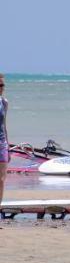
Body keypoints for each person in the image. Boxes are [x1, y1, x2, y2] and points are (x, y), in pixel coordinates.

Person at [0, 73, 8, 207]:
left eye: (2, 85)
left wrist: (8, 147)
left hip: (2, 144)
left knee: (1, 180)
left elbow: (4, 125)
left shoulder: (4, 102)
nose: (0, 87)